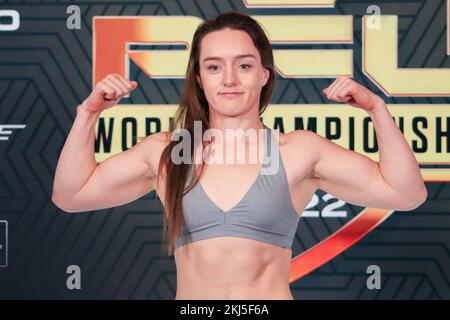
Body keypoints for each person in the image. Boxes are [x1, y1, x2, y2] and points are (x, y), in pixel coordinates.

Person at [52, 11, 427, 300]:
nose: (229, 79)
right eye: (214, 67)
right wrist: (88, 114)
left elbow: (406, 193)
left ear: (264, 74)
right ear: (199, 78)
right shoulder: (167, 152)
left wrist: (377, 109)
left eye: (244, 65)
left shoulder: (297, 151)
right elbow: (71, 195)